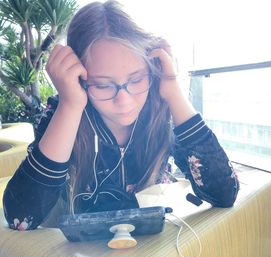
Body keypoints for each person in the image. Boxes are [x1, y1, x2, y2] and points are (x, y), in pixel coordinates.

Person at [2, 0, 239, 231]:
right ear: (80, 81)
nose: (124, 101)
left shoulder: (159, 109)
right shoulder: (64, 112)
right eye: (103, 85)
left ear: (151, 70)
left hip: (149, 247)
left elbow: (224, 194)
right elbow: (20, 217)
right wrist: (70, 106)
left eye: (136, 80)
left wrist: (172, 91)